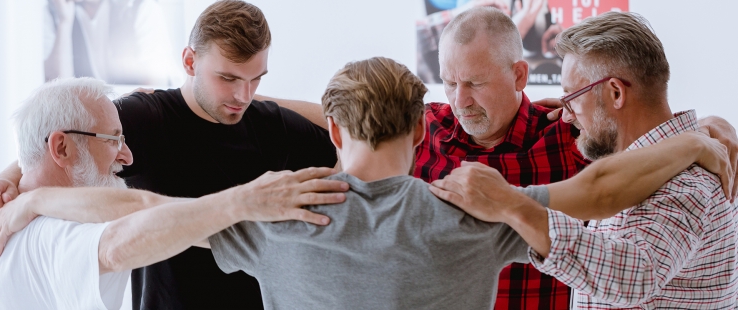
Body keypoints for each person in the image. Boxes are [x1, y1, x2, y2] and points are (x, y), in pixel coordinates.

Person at [0, 58, 733, 310]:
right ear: (423, 128)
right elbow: (601, 193)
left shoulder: (277, 213)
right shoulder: (471, 210)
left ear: (334, 133)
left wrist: (39, 193)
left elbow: (141, 208)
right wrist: (695, 137)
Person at [269, 7, 738, 309]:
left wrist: (702, 133)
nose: (459, 99)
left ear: (518, 76)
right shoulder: (422, 129)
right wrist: (250, 100)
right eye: (449, 82)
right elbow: (345, 116)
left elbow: (630, 153)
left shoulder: (567, 133)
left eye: (473, 83)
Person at [0, 1, 337, 309]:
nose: (242, 94)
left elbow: (350, 130)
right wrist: (9, 180)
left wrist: (257, 99)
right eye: (227, 78)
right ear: (190, 61)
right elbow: (64, 137)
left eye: (255, 79)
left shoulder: (269, 124)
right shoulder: (146, 116)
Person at [431, 12, 738, 309]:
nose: (564, 115)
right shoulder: (678, 155)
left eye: (571, 96)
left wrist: (511, 204)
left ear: (615, 93)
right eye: (451, 83)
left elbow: (634, 275)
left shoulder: (686, 181)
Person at [45, 0, 176, 85]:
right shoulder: (53, 12)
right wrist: (64, 22)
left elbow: (155, 88)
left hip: (132, 118)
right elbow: (56, 89)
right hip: (83, 121)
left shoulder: (143, 8)